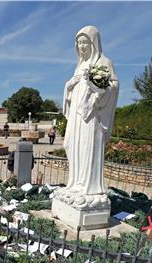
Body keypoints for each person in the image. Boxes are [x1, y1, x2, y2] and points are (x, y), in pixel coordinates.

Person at [62, 26, 119, 195]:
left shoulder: (104, 62)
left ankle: (88, 187)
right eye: (79, 43)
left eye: (85, 42)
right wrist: (69, 85)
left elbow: (113, 85)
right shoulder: (79, 66)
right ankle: (75, 183)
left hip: (91, 114)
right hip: (76, 115)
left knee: (87, 148)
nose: (81, 46)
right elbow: (72, 89)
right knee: (70, 145)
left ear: (93, 43)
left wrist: (98, 90)